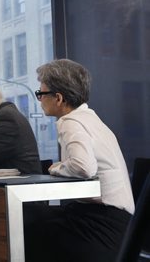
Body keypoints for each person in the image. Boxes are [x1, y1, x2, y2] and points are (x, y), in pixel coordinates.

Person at [24, 59, 135, 262]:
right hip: (120, 224)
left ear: (58, 98)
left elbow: (84, 167)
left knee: (25, 230)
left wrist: (56, 168)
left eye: (40, 93)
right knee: (35, 221)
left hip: (100, 226)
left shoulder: (70, 122)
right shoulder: (90, 118)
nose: (39, 99)